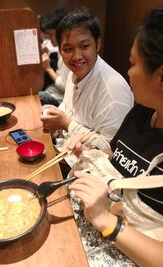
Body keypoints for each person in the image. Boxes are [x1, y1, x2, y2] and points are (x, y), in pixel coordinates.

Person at [63, 8, 163, 267]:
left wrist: (106, 220)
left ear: (161, 77)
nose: (127, 73)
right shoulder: (142, 111)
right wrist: (88, 153)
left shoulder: (116, 90)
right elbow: (116, 159)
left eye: (132, 63)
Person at [40, 7, 134, 173]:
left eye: (84, 46)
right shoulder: (74, 72)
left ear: (97, 44)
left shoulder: (113, 90)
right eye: (68, 49)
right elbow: (68, 106)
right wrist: (55, 114)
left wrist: (66, 123)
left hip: (87, 172)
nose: (76, 56)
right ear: (60, 49)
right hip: (63, 154)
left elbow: (112, 150)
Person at [39, 9, 70, 107]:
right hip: (54, 92)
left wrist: (48, 68)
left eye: (51, 34)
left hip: (63, 100)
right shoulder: (60, 50)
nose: (48, 38)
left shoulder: (67, 53)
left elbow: (65, 88)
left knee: (38, 96)